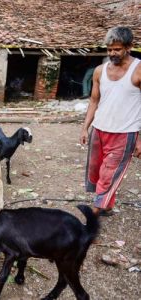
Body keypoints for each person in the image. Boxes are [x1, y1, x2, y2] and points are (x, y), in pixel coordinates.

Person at [80, 26, 141, 217]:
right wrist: (85, 127)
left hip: (125, 132)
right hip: (99, 129)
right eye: (109, 49)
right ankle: (107, 205)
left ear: (129, 47)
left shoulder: (138, 70)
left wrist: (140, 137)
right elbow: (94, 100)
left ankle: (95, 212)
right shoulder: (99, 71)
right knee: (97, 171)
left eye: (117, 49)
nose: (112, 53)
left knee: (109, 173)